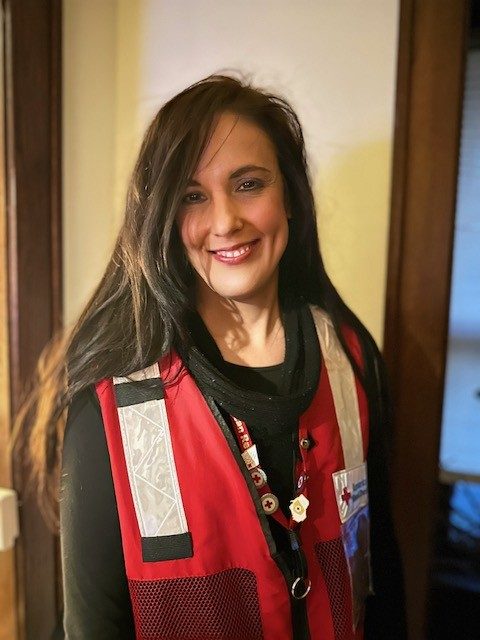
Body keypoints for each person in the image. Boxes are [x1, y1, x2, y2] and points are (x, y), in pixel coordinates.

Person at [17, 74, 407, 639]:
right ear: (165, 221)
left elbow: (382, 576)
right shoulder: (113, 405)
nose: (225, 222)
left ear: (290, 198)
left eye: (248, 184)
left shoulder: (350, 358)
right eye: (192, 196)